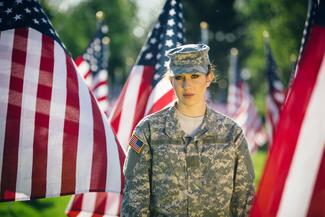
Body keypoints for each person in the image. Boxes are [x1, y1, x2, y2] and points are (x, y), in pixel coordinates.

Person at [121, 44, 255, 217]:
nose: (187, 84)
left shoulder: (231, 134)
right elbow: (134, 202)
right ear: (171, 81)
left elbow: (244, 201)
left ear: (209, 78)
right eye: (179, 77)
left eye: (194, 76)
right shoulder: (148, 132)